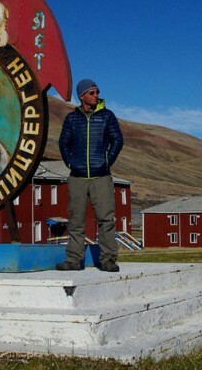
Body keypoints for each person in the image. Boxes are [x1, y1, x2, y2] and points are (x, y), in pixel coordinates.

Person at [56, 78, 124, 272]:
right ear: (82, 96)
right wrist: (70, 162)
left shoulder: (107, 116)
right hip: (77, 177)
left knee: (105, 219)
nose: (96, 95)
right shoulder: (72, 119)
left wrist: (107, 161)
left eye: (97, 92)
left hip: (101, 177)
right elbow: (63, 142)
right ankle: (74, 261)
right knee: (75, 220)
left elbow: (117, 140)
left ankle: (108, 260)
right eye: (92, 92)